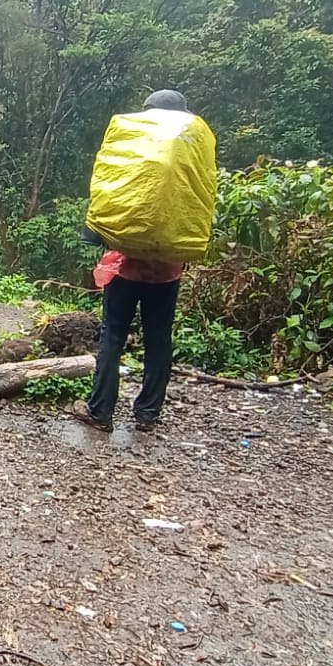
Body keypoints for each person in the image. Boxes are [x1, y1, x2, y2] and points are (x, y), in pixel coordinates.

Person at [70, 89, 210, 432]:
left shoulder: (133, 136)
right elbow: (201, 194)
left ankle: (100, 411)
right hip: (168, 270)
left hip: (126, 266)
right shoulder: (194, 140)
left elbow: (110, 188)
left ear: (148, 110)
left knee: (113, 336)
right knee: (159, 338)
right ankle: (148, 414)